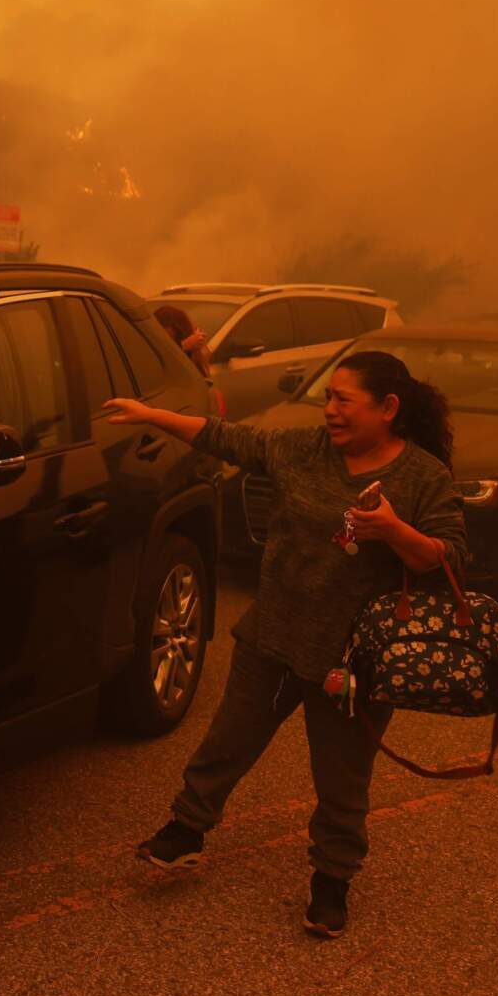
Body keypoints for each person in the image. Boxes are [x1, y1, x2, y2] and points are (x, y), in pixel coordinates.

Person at [101, 349, 466, 938]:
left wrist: (394, 530)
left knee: (342, 781)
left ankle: (331, 883)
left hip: (354, 665)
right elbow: (228, 438)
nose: (330, 411)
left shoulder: (423, 477)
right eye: (328, 398)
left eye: (344, 399)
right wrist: (151, 415)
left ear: (388, 408)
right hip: (273, 637)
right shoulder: (302, 450)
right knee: (227, 743)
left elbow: (451, 560)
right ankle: (186, 831)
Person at [151, 304, 224, 417]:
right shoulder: (150, 357)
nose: (166, 345)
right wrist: (183, 347)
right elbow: (159, 367)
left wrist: (185, 348)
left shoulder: (194, 362)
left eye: (171, 342)